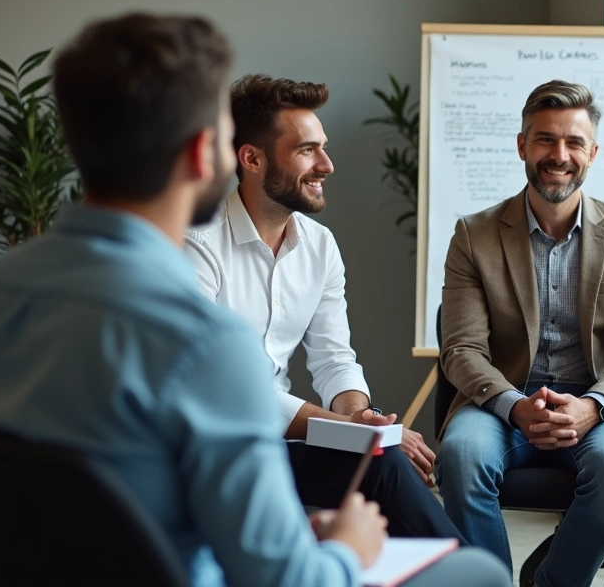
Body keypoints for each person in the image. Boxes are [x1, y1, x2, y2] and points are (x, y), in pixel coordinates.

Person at [0, 13, 505, 587]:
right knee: (477, 572)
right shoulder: (199, 340)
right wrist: (344, 550)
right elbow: (286, 579)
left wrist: (347, 430)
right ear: (207, 152)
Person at [184, 74, 461, 540]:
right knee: (383, 458)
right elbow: (223, 388)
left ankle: (465, 572)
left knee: (380, 460)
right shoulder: (198, 244)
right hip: (213, 452)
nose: (327, 165)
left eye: (323, 147)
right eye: (306, 150)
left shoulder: (319, 246)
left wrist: (358, 417)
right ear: (251, 158)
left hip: (278, 446)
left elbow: (335, 359)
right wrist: (348, 428)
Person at [435, 79, 604, 586]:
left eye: (574, 142)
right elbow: (461, 348)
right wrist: (514, 405)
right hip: (502, 404)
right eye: (544, 140)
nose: (559, 155)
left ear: (593, 152)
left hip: (602, 404)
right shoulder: (474, 235)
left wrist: (594, 406)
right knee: (461, 455)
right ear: (522, 145)